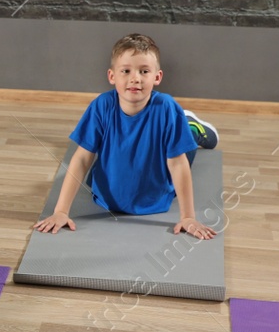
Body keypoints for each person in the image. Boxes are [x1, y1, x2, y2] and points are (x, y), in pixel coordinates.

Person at [32, 33, 219, 239]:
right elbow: (82, 158)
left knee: (184, 146)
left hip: (156, 195)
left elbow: (177, 164)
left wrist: (188, 217)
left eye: (144, 71)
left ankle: (190, 126)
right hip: (107, 198)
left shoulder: (166, 107)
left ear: (157, 77)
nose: (135, 78)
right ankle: (186, 124)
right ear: (112, 76)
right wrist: (61, 211)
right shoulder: (101, 106)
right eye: (126, 71)